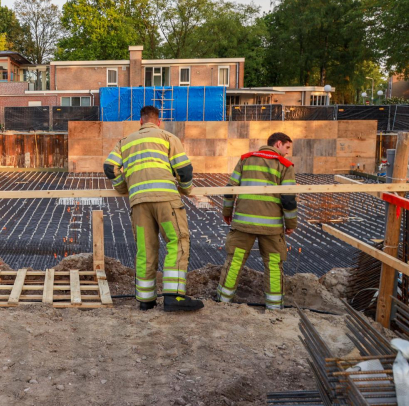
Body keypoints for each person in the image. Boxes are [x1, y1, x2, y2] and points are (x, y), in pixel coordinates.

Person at [103, 105, 204, 312]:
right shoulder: (167, 138)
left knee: (145, 249)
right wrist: (186, 189)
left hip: (139, 204)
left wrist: (124, 187)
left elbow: (110, 167)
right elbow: (184, 170)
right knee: (177, 242)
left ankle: (146, 300)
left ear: (140, 122)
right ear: (158, 122)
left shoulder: (125, 141)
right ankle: (174, 297)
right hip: (166, 201)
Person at [216, 132, 298, 310]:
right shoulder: (285, 165)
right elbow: (289, 198)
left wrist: (227, 211)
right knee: (274, 265)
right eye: (287, 147)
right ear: (277, 144)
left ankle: (223, 302)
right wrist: (291, 224)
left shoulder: (246, 159)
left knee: (235, 261)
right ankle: (274, 307)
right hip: (272, 227)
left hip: (243, 224)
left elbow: (231, 188)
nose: (287, 153)